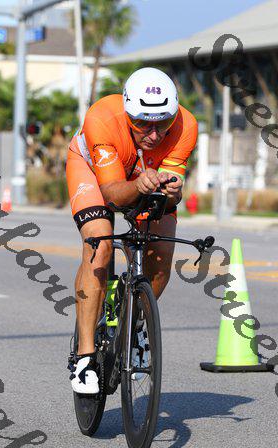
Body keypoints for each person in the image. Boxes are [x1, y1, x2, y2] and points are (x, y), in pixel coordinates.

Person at [66, 67, 198, 394]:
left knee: (161, 251)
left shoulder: (186, 125)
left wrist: (173, 193)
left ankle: (135, 324)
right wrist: (139, 184)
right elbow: (112, 194)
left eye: (163, 123)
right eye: (142, 124)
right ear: (127, 114)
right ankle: (84, 357)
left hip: (143, 178)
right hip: (94, 174)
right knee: (99, 246)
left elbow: (171, 196)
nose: (153, 134)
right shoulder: (101, 118)